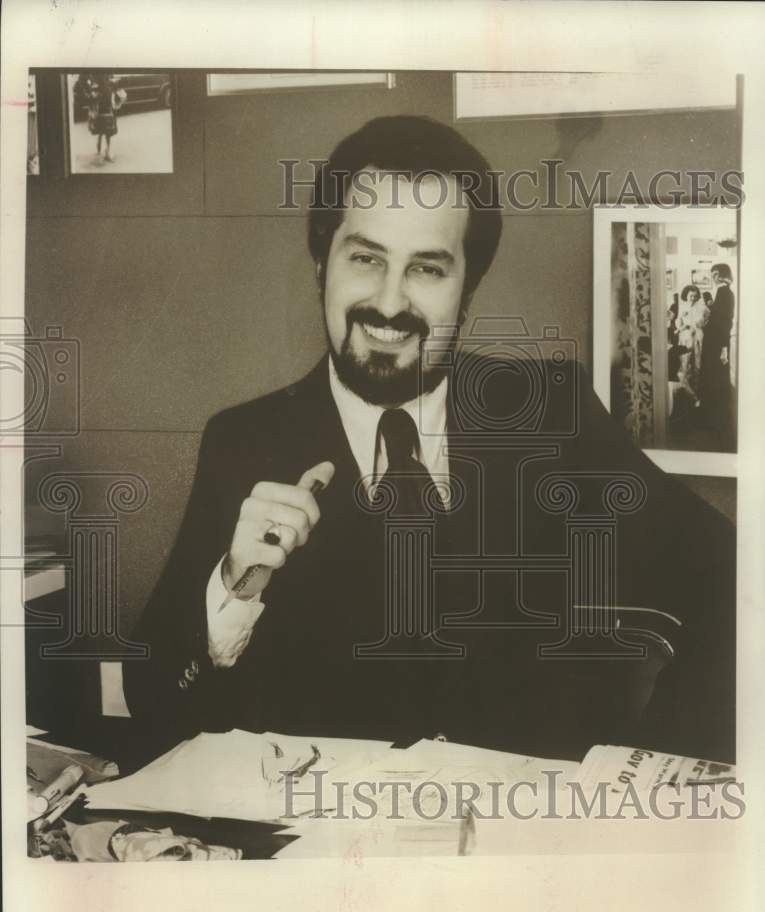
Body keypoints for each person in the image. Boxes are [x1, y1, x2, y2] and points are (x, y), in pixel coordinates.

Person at [123, 116, 735, 768]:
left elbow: (732, 578)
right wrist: (233, 592)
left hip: (523, 844)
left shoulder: (550, 413)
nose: (388, 303)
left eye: (427, 269)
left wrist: (665, 765)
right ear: (321, 262)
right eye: (364, 258)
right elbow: (154, 700)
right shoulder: (244, 442)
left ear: (467, 287)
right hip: (330, 848)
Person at [698, 263, 735, 442]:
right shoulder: (722, 293)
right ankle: (713, 419)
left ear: (719, 275)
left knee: (715, 379)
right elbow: (719, 319)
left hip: (716, 345)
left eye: (713, 274)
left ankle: (716, 422)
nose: (711, 277)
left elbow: (725, 324)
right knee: (713, 378)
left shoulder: (725, 293)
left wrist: (723, 348)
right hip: (714, 343)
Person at [675, 283, 709, 406]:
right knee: (684, 366)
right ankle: (688, 394)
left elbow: (708, 319)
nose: (693, 298)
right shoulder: (683, 307)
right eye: (690, 296)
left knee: (697, 365)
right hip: (685, 337)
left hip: (698, 338)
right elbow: (677, 324)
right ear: (686, 295)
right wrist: (680, 320)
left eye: (695, 296)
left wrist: (700, 327)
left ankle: (697, 392)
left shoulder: (703, 308)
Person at [87, 74, 124, 165]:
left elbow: (93, 98)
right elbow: (120, 98)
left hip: (101, 112)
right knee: (107, 133)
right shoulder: (109, 87)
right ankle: (106, 152)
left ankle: (100, 150)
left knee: (101, 131)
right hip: (106, 112)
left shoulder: (97, 86)